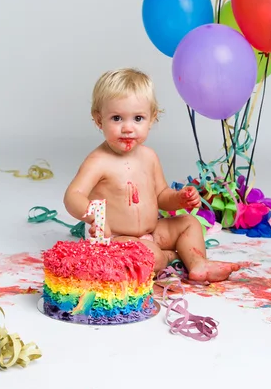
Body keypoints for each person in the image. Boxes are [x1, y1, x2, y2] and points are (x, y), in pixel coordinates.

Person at [64, 68, 240, 283]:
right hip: (117, 237)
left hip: (152, 229)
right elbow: (73, 195)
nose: (128, 128)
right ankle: (169, 256)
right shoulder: (98, 161)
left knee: (189, 223)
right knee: (151, 256)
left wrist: (179, 198)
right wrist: (94, 216)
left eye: (138, 118)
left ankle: (197, 263)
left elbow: (161, 196)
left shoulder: (149, 157)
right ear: (99, 120)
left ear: (152, 119)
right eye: (117, 118)